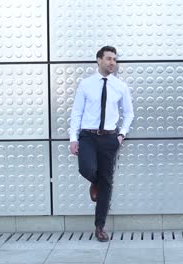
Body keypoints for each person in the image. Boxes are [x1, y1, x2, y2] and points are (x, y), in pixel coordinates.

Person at [69, 46, 134, 242]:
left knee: (107, 183)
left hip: (109, 138)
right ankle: (95, 182)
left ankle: (99, 226)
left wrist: (121, 135)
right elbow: (77, 112)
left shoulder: (120, 86)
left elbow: (129, 113)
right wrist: (73, 138)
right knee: (86, 168)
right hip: (88, 136)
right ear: (98, 60)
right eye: (108, 58)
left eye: (114, 59)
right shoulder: (86, 84)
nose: (112, 62)